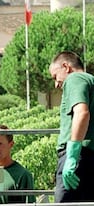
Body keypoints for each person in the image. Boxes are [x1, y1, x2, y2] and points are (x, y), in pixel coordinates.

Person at [49, 51, 94, 202]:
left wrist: (72, 155)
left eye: (55, 77)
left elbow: (82, 112)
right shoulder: (91, 80)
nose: (56, 84)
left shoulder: (75, 78)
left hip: (78, 158)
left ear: (66, 67)